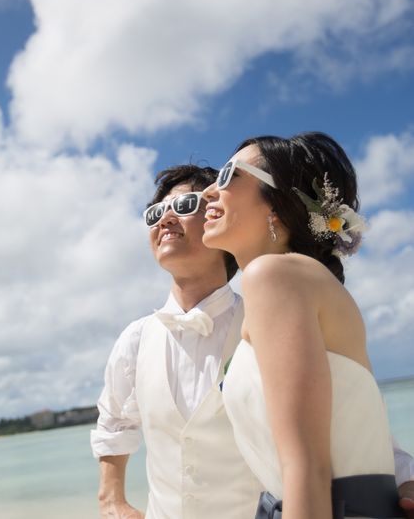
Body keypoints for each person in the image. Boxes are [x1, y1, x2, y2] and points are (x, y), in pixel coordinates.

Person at [91, 160, 414, 519]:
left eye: (183, 206)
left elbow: (350, 413)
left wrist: (406, 479)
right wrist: (112, 501)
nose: (165, 219)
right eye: (155, 213)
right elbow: (115, 422)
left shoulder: (277, 313)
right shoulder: (136, 339)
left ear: (214, 214)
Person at [201, 132, 414, 519]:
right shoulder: (298, 282)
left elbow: (307, 468)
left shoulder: (275, 276)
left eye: (229, 175)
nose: (208, 192)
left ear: (278, 204)